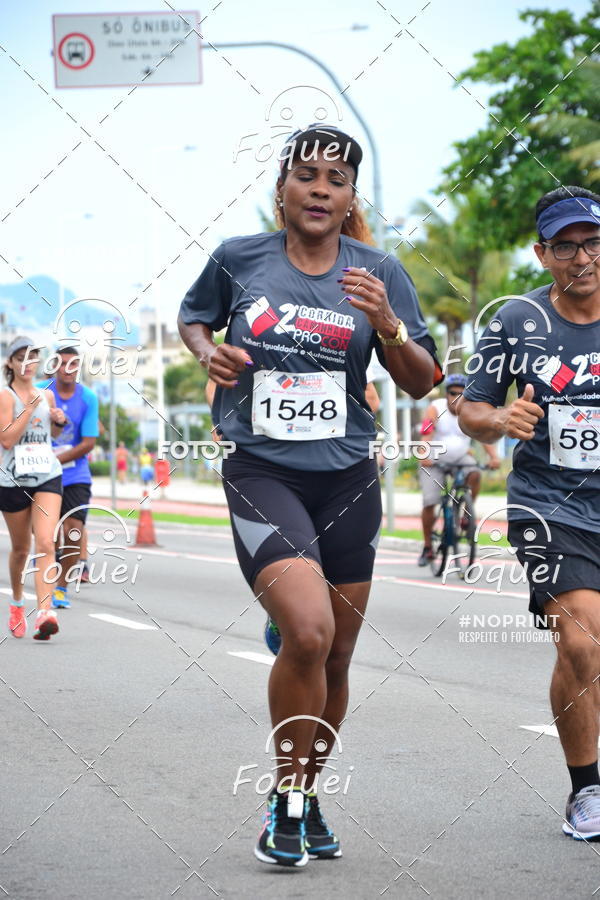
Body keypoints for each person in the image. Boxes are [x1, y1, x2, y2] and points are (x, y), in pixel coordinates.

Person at [178, 124, 441, 867]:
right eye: (307, 176)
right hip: (264, 471)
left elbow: (422, 380)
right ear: (282, 191)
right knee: (311, 631)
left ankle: (303, 796)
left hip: (349, 476)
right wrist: (208, 351)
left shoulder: (376, 270)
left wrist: (388, 325)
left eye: (337, 179)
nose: (321, 189)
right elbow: (194, 317)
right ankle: (284, 805)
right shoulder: (240, 259)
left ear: (352, 197)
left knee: (337, 656)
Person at [459, 186, 600, 841]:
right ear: (543, 253)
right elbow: (472, 408)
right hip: (550, 506)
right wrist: (500, 417)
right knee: (580, 640)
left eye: (593, 241)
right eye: (566, 245)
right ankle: (586, 791)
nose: (582, 257)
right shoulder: (516, 322)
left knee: (582, 654)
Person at [0, 337, 65, 640]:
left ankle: (44, 613)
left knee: (46, 544)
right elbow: (7, 440)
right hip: (13, 479)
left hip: (46, 475)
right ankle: (16, 601)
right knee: (21, 549)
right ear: (10, 364)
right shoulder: (5, 396)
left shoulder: (46, 396)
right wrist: (27, 409)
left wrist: (58, 422)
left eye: (33, 356)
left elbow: (51, 433)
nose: (28, 363)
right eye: (21, 357)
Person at [417, 373, 500, 566]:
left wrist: (494, 457)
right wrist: (423, 453)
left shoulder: (470, 410)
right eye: (453, 393)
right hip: (435, 458)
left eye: (461, 394)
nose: (456, 397)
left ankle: (465, 514)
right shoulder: (434, 409)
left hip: (461, 457)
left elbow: (482, 436)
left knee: (475, 473)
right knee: (430, 501)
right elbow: (426, 433)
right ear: (446, 394)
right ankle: (428, 546)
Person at [42, 347, 99, 609]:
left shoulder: (88, 397)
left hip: (76, 474)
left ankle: (62, 587)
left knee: (74, 531)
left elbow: (88, 442)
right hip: (41, 474)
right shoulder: (39, 392)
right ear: (54, 365)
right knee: (50, 536)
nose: (67, 369)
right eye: (62, 363)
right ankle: (48, 578)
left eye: (72, 364)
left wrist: (57, 459)